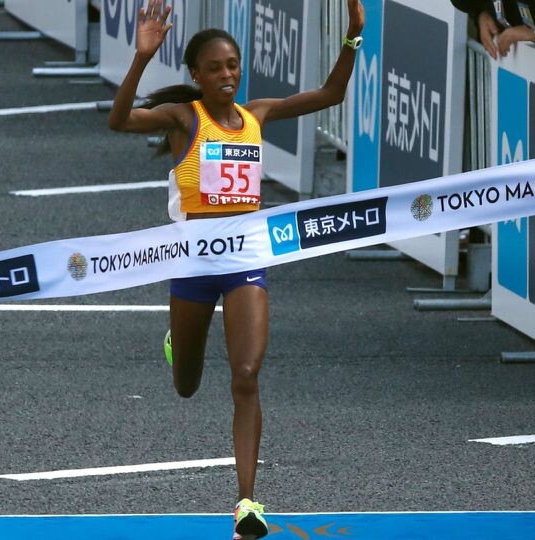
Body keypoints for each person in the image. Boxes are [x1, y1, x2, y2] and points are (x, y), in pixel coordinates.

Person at [107, 1, 365, 537]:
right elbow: (120, 120)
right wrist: (141, 58)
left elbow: (331, 94)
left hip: (245, 260)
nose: (227, 75)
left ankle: (247, 503)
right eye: (216, 68)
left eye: (233, 65)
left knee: (246, 375)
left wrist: (353, 35)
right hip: (192, 263)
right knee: (186, 384)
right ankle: (178, 343)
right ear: (196, 75)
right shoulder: (184, 119)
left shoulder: (257, 115)